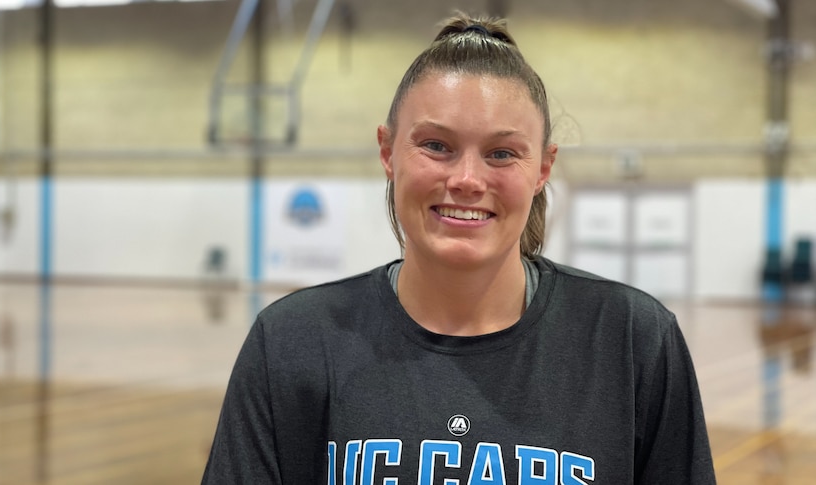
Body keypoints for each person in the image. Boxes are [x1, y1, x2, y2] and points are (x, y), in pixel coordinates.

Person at [202, 12, 716, 484]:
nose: (468, 179)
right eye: (436, 146)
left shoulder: (633, 341)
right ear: (387, 151)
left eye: (501, 153)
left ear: (542, 168)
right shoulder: (293, 342)